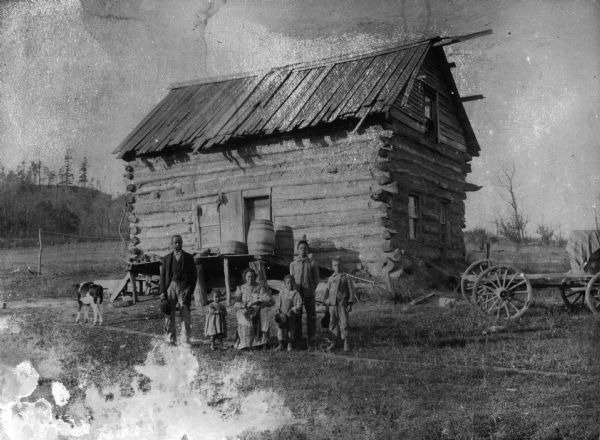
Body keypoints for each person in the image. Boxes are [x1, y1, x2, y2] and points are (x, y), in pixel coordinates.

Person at [159, 234, 197, 345]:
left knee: (185, 313)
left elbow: (194, 276)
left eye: (180, 242)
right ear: (172, 244)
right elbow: (162, 276)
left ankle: (185, 340)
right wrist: (162, 292)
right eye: (175, 242)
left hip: (183, 288)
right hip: (170, 287)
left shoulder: (189, 258)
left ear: (182, 243)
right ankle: (171, 339)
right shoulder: (166, 258)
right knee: (169, 314)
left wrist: (189, 289)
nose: (178, 244)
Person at [233, 268, 274, 350]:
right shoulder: (241, 288)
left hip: (257, 308)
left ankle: (261, 342)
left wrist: (261, 302)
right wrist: (244, 305)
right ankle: (246, 344)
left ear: (255, 277)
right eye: (248, 277)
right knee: (244, 316)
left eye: (252, 276)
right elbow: (236, 303)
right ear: (245, 277)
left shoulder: (260, 287)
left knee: (264, 313)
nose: (250, 278)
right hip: (245, 308)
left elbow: (269, 300)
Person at [289, 240, 320, 346]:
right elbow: (291, 279)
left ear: (308, 250)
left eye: (305, 248)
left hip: (309, 293)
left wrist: (311, 289)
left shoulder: (312, 263)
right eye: (301, 248)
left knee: (311, 315)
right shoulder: (293, 264)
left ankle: (311, 337)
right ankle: (298, 337)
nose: (303, 250)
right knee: (297, 314)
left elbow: (316, 280)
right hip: (297, 294)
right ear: (298, 250)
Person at [323, 257, 354, 352]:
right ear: (332, 266)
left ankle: (346, 341)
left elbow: (351, 291)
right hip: (332, 305)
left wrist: (350, 302)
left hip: (342, 304)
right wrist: (326, 300)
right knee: (332, 323)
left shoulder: (346, 277)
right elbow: (327, 290)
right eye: (335, 265)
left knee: (344, 323)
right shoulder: (331, 278)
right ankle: (333, 342)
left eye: (339, 265)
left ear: (342, 265)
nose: (337, 267)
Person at [274, 275, 303, 352]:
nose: (290, 284)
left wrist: (293, 309)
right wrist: (278, 310)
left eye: (292, 283)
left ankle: (289, 344)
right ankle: (281, 344)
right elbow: (278, 302)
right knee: (281, 329)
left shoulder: (296, 293)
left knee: (290, 330)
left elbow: (299, 304)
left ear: (294, 283)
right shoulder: (282, 292)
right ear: (285, 284)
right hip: (282, 315)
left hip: (291, 315)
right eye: (288, 283)